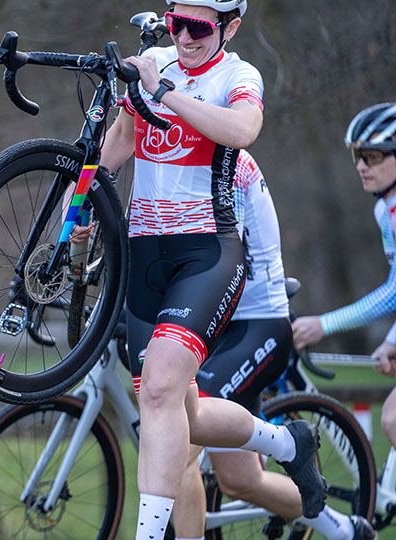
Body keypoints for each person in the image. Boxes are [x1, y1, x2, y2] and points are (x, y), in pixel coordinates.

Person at [96, 1, 326, 538]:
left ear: (230, 26)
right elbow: (123, 139)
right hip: (147, 257)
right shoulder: (154, 62)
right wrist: (77, 205)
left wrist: (163, 92)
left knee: (158, 393)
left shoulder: (237, 76)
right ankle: (287, 443)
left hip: (207, 253)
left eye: (198, 27)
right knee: (183, 413)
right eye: (177, 23)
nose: (184, 37)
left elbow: (243, 130)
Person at [167, 151, 376, 540]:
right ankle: (346, 531)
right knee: (241, 480)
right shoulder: (177, 160)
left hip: (256, 328)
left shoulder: (227, 163)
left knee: (176, 438)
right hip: (221, 329)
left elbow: (219, 260)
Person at [293, 103, 396, 451]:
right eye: (357, 156)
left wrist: (325, 324)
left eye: (373, 156)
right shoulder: (385, 210)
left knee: (392, 419)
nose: (361, 166)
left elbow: (394, 291)